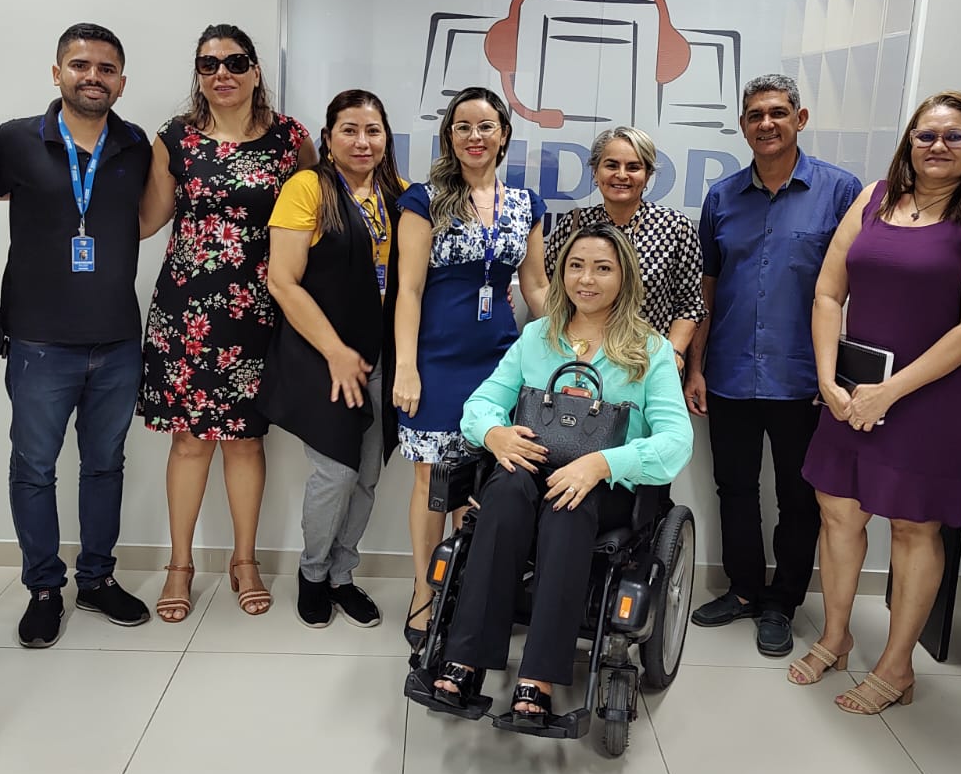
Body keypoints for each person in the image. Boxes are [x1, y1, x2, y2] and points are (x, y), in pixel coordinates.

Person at [789, 91, 961, 714]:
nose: (938, 147)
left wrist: (892, 390)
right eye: (927, 135)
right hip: (853, 385)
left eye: (954, 137)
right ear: (909, 141)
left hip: (932, 395)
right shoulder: (874, 198)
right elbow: (827, 293)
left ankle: (897, 667)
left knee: (914, 526)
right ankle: (836, 639)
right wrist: (828, 377)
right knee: (838, 512)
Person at [429, 224, 693, 723]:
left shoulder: (649, 350)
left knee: (569, 508)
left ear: (625, 277)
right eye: (575, 266)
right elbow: (482, 402)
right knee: (504, 491)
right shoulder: (536, 337)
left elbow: (677, 441)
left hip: (604, 487)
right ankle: (465, 658)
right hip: (532, 470)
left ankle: (537, 677)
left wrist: (602, 463)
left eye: (602, 268)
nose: (586, 279)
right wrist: (495, 434)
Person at [137, 24, 316, 622]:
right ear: (198, 73)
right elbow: (146, 222)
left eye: (236, 62)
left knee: (245, 441)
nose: (223, 73)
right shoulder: (176, 139)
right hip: (186, 311)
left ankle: (245, 562)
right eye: (209, 63)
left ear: (256, 70)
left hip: (258, 310)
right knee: (190, 442)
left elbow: (318, 214)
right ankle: (181, 566)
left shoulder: (291, 141)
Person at [685, 74, 860, 657]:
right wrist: (696, 366)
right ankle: (741, 590)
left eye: (778, 113)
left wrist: (839, 377)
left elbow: (852, 291)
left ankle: (782, 602)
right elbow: (706, 287)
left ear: (800, 118)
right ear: (743, 125)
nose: (767, 123)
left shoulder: (840, 193)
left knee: (798, 497)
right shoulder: (721, 197)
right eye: (755, 114)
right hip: (731, 371)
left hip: (806, 381)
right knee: (733, 488)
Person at [0, 23, 152, 648]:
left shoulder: (135, 144)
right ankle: (42, 587)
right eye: (80, 65)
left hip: (115, 340)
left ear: (121, 81)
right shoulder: (14, 140)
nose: (94, 76)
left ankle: (97, 579)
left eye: (107, 68)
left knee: (104, 465)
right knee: (33, 467)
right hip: (37, 341)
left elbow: (153, 214)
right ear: (56, 72)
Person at [394, 87, 547, 647]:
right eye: (463, 127)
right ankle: (423, 591)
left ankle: (465, 585)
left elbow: (534, 284)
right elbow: (408, 289)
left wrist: (571, 342)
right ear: (449, 137)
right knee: (434, 480)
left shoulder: (525, 203)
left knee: (482, 481)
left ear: (503, 134)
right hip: (436, 358)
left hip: (500, 361)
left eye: (485, 126)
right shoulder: (424, 199)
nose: (475, 137)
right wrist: (405, 368)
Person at [263, 89, 404, 629]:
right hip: (323, 355)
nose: (362, 141)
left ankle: (344, 574)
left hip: (381, 355)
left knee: (369, 471)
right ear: (328, 138)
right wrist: (337, 354)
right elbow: (283, 280)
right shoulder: (308, 188)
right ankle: (313, 573)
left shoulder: (399, 195)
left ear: (386, 138)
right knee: (336, 473)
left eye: (372, 130)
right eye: (349, 129)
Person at [543, 126, 704, 361]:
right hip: (580, 362)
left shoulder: (675, 227)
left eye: (633, 167)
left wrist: (672, 356)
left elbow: (689, 304)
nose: (621, 175)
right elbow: (550, 289)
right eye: (611, 165)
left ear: (648, 175)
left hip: (646, 365)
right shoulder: (574, 225)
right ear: (595, 172)